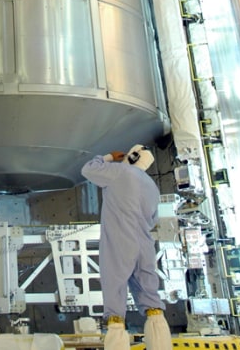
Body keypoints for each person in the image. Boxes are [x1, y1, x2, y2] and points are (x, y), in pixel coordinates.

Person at [81, 145, 172, 350]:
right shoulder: (152, 187)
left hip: (120, 243)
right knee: (152, 303)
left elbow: (88, 169)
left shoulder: (121, 171)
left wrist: (107, 156)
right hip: (145, 246)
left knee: (115, 302)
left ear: (132, 157)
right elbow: (153, 219)